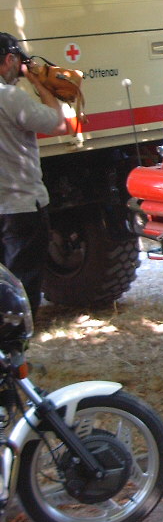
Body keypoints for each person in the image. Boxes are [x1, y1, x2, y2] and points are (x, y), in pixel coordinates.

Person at [0, 32, 69, 312]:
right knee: (20, 287)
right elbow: (58, 125)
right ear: (9, 59)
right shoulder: (10, 96)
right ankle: (18, 352)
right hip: (20, 207)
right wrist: (41, 85)